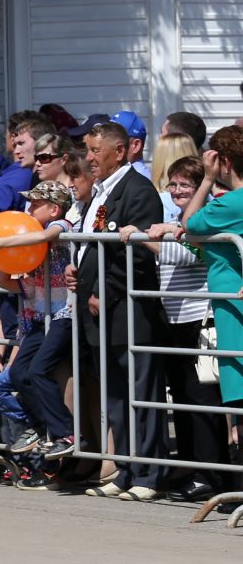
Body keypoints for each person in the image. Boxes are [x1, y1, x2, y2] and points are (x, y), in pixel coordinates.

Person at [73, 120, 167, 499]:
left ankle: (149, 474)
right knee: (114, 395)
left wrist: (102, 291)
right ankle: (126, 468)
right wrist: (78, 268)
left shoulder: (138, 191)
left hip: (129, 311)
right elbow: (94, 244)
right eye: (87, 150)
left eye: (96, 151)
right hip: (99, 313)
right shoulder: (99, 191)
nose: (90, 158)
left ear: (120, 150)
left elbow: (138, 259)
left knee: (141, 392)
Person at [152, 127, 243, 494]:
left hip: (233, 314)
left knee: (238, 404)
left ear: (222, 160)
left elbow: (191, 224)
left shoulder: (231, 202)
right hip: (227, 308)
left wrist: (205, 179)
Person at [0, 182, 79, 483]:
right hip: (38, 316)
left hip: (63, 314)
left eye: (35, 205)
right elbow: (2, 279)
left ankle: (65, 433)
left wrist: (4, 244)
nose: (29, 210)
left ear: (54, 208)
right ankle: (38, 426)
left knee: (38, 372)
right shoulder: (28, 239)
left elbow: (49, 235)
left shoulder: (63, 225)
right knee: (20, 374)